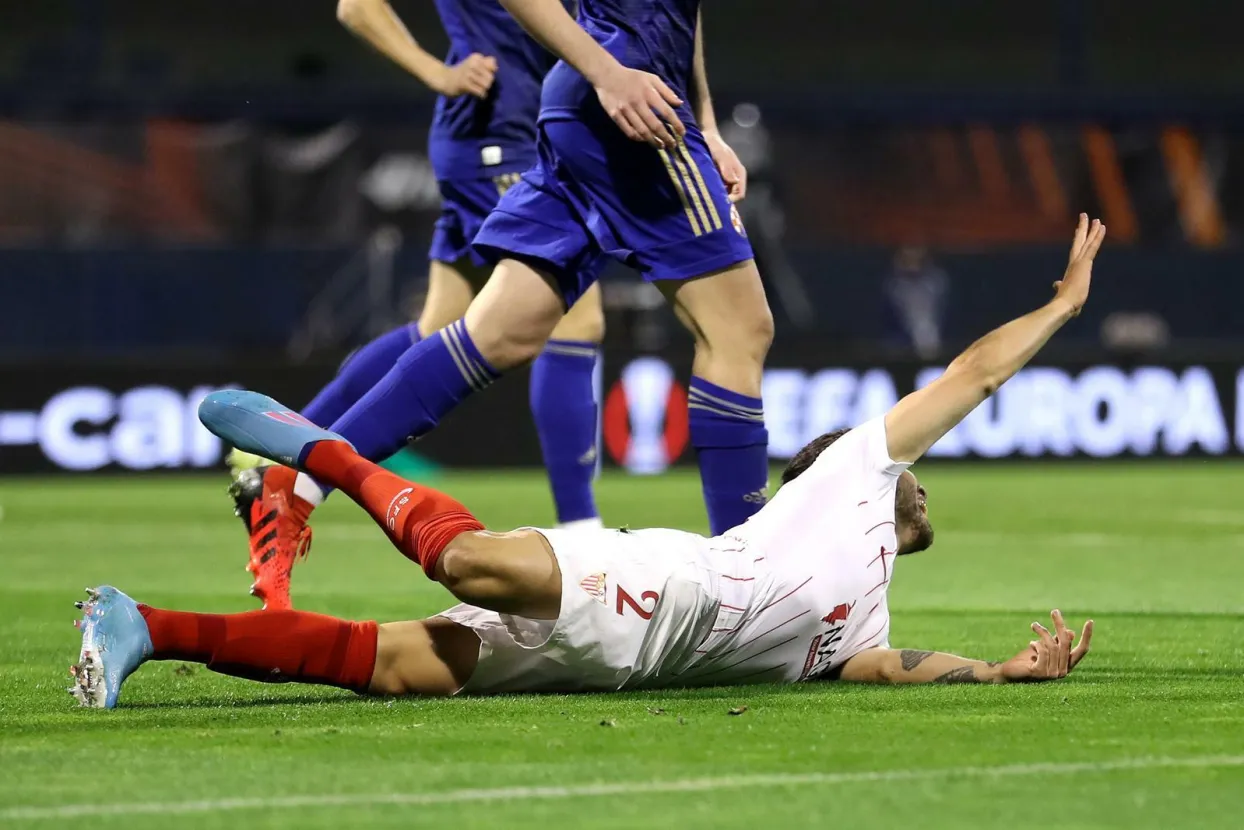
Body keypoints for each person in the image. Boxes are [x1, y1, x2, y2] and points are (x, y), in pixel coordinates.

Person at [67, 217, 1105, 709]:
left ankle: (142, 625)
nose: (924, 481)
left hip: (617, 662)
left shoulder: (865, 615)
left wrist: (1000, 671)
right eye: (914, 470)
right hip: (656, 585)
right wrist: (1060, 307)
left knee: (392, 668)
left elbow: (886, 666)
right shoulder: (853, 475)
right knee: (469, 565)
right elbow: (972, 373)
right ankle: (318, 453)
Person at [243, 0, 775, 608]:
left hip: (592, 104)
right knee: (738, 330)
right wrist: (608, 73)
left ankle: (296, 483)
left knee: (496, 332)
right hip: (628, 106)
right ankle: (746, 582)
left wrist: (705, 123)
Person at [233, 0, 610, 611]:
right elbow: (358, 7)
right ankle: (582, 533)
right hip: (503, 137)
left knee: (439, 327)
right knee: (575, 320)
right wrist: (437, 71)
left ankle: (280, 459)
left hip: (506, 134)